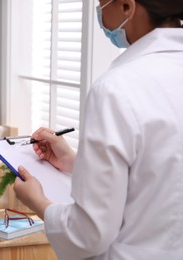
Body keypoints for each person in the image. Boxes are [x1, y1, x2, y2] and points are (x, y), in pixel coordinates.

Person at [13, 0, 183, 259]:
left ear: (127, 6)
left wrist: (39, 203)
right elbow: (159, 172)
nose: (98, 10)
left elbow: (89, 234)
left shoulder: (117, 87)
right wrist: (75, 162)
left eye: (101, 2)